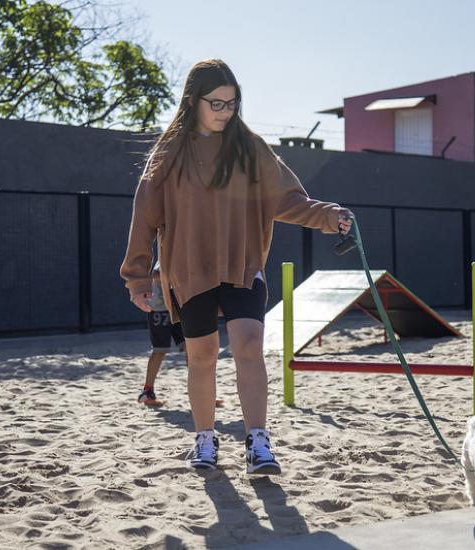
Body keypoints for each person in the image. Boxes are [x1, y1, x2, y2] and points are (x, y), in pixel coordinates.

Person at [120, 59, 353, 475]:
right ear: (193, 101)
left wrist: (327, 215)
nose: (226, 111)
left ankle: (258, 441)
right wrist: (137, 276)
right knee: (202, 355)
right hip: (189, 270)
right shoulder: (170, 152)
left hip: (243, 264)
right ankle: (205, 441)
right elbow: (145, 214)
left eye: (232, 103)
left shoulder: (250, 148)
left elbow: (286, 200)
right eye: (217, 103)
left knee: (248, 344)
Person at [136, 263, 186, 407]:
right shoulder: (167, 251)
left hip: (178, 308)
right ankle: (147, 392)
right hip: (160, 310)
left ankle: (202, 390)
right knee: (159, 350)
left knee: (191, 348)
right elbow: (157, 274)